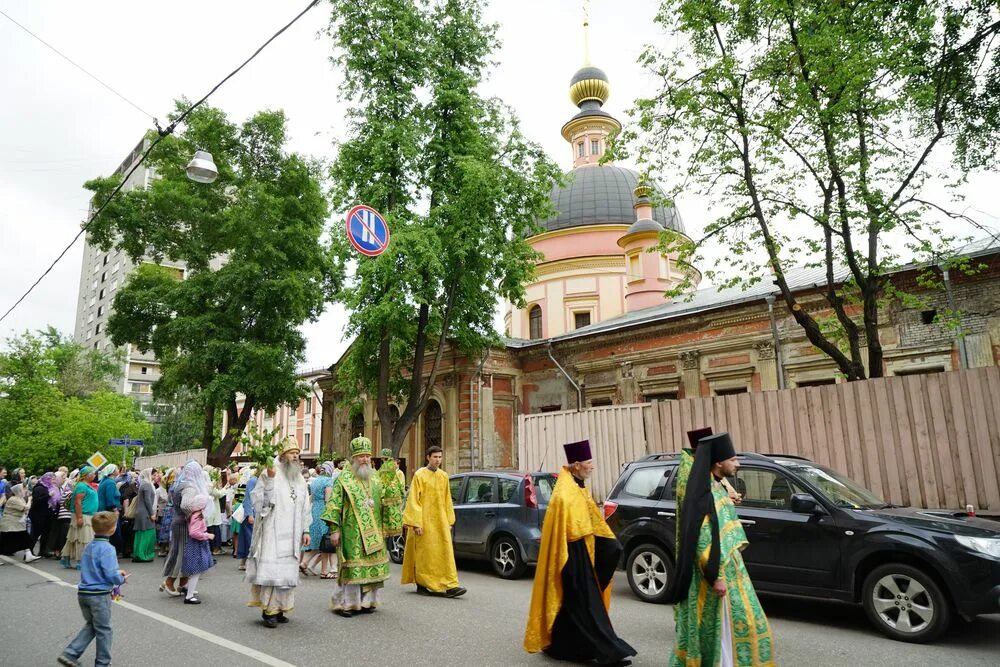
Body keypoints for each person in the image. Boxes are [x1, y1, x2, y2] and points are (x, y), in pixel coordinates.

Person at [666, 431, 775, 667]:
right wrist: (715, 576)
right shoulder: (703, 492)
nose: (738, 464)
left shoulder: (715, 485)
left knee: (741, 626)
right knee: (726, 629)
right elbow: (703, 536)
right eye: (733, 459)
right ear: (718, 463)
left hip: (732, 568)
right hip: (717, 572)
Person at [524, 439, 636, 665]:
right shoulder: (565, 493)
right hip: (572, 558)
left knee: (573, 606)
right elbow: (567, 531)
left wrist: (610, 547)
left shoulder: (579, 487)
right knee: (586, 606)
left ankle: (559, 645)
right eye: (588, 462)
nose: (592, 466)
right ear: (576, 465)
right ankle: (607, 652)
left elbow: (593, 522)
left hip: (583, 553)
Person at [322, 435, 393, 618]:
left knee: (371, 568)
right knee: (352, 569)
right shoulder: (344, 479)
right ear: (354, 457)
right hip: (351, 532)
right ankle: (347, 604)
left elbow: (385, 502)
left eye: (368, 456)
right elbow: (334, 505)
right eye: (361, 456)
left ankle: (367, 601)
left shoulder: (376, 478)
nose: (365, 459)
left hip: (374, 532)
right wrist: (334, 530)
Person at [246, 441, 312, 628]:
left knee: (287, 572)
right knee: (273, 572)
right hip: (273, 531)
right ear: (283, 455)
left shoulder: (299, 478)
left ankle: (281, 608)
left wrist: (306, 529)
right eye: (291, 453)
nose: (295, 456)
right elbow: (260, 503)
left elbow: (305, 506)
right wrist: (270, 480)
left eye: (297, 453)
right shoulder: (270, 472)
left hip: (293, 533)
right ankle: (269, 610)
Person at [57, 511, 127, 667]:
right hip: (99, 595)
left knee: (93, 625)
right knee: (104, 629)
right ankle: (102, 663)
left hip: (84, 593)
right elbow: (110, 574)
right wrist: (121, 578)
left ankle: (70, 653)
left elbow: (95, 568)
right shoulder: (108, 548)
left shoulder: (88, 546)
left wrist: (116, 572)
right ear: (112, 529)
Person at [400, 445, 464, 597]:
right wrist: (416, 523)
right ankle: (422, 584)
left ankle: (450, 585)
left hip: (440, 521)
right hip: (424, 522)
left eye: (440, 457)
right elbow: (414, 500)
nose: (438, 460)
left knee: (444, 553)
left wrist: (449, 521)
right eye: (435, 457)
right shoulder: (419, 475)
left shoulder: (444, 476)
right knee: (425, 554)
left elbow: (447, 499)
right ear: (428, 457)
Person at [162, 461, 214, 603]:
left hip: (178, 521)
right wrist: (193, 515)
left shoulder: (180, 483)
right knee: (182, 554)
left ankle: (183, 584)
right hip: (184, 523)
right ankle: (170, 582)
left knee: (181, 553)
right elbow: (186, 505)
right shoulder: (189, 486)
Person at [301, 461, 337, 579]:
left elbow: (311, 497)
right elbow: (327, 500)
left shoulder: (315, 480)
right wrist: (331, 514)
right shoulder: (328, 481)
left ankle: (305, 563)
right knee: (325, 541)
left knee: (318, 541)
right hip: (323, 511)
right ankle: (324, 571)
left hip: (314, 510)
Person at [63, 467, 99, 569]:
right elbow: (77, 502)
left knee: (76, 537)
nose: (94, 475)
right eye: (93, 474)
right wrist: (79, 517)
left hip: (88, 514)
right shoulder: (81, 486)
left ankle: (67, 558)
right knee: (84, 539)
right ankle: (81, 561)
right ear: (87, 475)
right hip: (83, 515)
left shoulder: (86, 485)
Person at [0, 483, 41, 562]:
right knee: (4, 543)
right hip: (10, 524)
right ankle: (28, 554)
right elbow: (25, 508)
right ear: (18, 491)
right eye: (24, 489)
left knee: (25, 539)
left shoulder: (20, 499)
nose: (25, 491)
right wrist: (30, 499)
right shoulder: (13, 499)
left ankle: (28, 555)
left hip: (16, 524)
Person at [29, 472, 60, 557]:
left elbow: (56, 502)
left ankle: (42, 550)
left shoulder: (54, 488)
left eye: (55, 479)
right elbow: (37, 501)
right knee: (36, 534)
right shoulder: (39, 488)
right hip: (38, 515)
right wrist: (48, 495)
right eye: (52, 479)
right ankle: (29, 551)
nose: (54, 481)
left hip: (49, 515)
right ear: (47, 479)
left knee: (46, 534)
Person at [132, 468, 157, 562]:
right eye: (154, 475)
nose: (155, 477)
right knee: (146, 534)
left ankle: (138, 554)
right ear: (149, 474)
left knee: (141, 534)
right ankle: (143, 555)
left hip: (143, 512)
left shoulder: (144, 484)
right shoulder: (147, 485)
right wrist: (152, 513)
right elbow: (147, 500)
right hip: (145, 513)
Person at [237, 472, 258, 571]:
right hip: (251, 514)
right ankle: (247, 562)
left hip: (256, 513)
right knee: (249, 539)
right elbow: (248, 498)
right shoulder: (253, 481)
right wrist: (250, 514)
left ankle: (244, 562)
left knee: (249, 539)